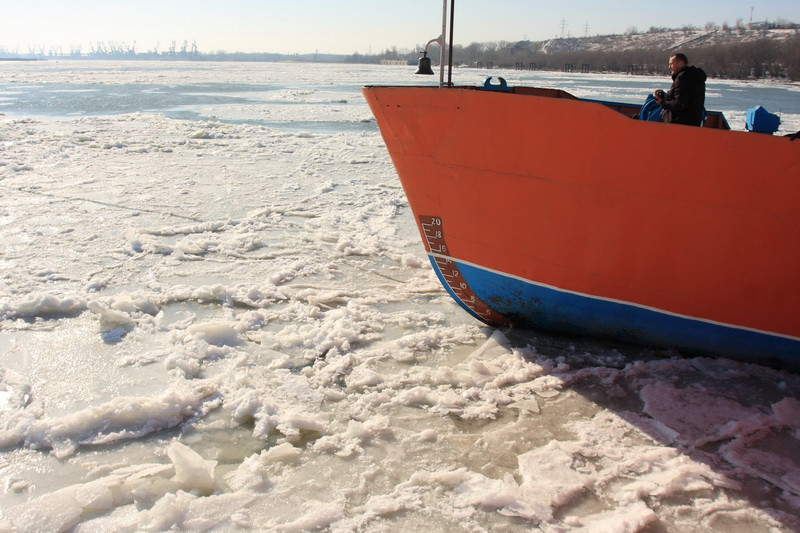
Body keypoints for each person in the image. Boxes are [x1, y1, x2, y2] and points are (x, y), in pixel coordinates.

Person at [653, 53, 706, 126]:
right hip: (693, 123)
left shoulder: (682, 78)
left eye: (671, 64)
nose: (669, 67)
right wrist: (665, 96)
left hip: (678, 123)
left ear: (680, 63)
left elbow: (680, 104)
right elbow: (685, 98)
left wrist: (662, 103)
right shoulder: (696, 77)